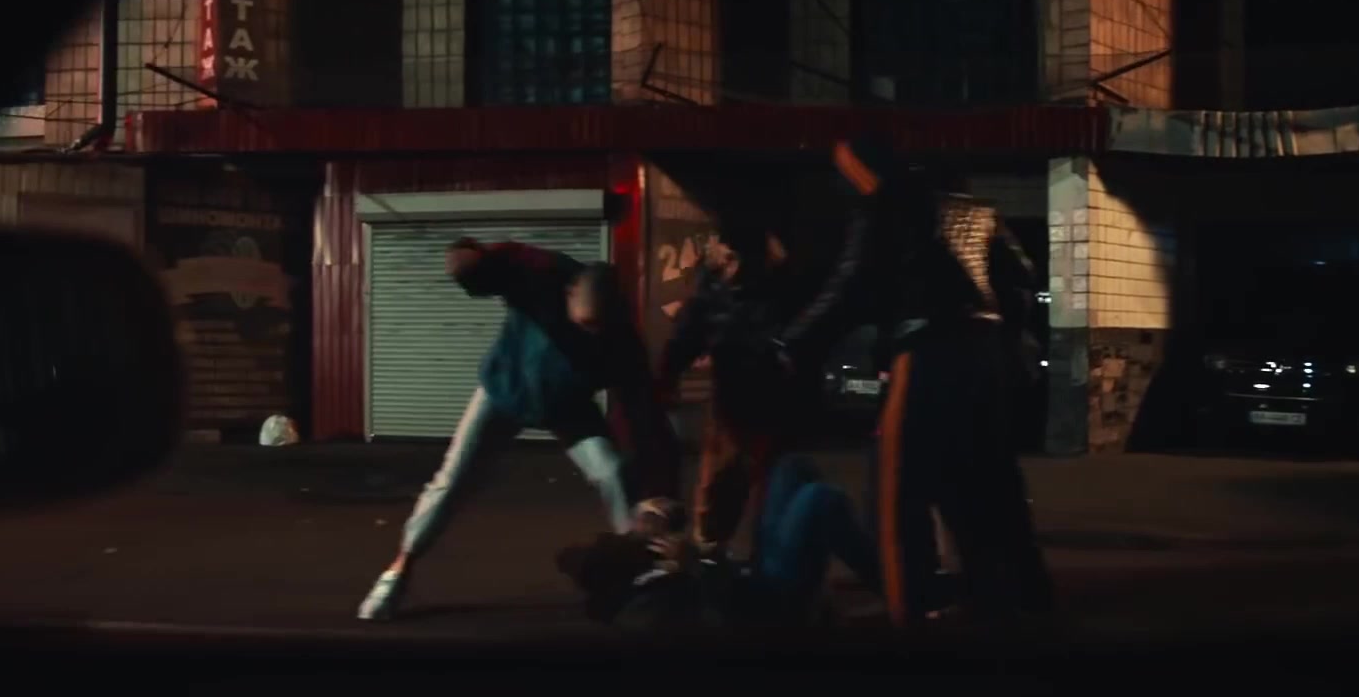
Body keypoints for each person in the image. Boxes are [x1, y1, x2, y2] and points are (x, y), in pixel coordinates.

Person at [357, 238, 677, 622]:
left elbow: (644, 419)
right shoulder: (545, 275)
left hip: (566, 407)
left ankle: (636, 572)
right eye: (582, 326)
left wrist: (657, 494)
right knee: (452, 481)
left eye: (597, 330)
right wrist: (470, 265)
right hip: (505, 391)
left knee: (614, 472)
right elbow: (500, 262)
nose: (588, 337)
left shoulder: (622, 343)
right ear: (569, 293)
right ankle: (399, 568)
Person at [828, 136, 1053, 628]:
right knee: (988, 481)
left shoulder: (894, 205)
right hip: (985, 352)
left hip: (927, 349)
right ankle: (1014, 595)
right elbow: (1022, 274)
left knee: (899, 489)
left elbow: (852, 284)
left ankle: (915, 604)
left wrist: (793, 343)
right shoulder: (981, 213)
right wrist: (1007, 329)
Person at [556, 456, 931, 632]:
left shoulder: (645, 569)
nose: (632, 540)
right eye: (623, 543)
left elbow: (677, 527)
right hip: (770, 603)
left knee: (789, 469)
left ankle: (832, 596)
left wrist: (656, 518)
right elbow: (725, 618)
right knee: (820, 499)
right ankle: (904, 595)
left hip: (751, 574)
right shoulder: (645, 610)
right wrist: (698, 566)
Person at [656, 220, 825, 559]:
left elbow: (804, 328)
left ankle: (766, 559)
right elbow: (684, 340)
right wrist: (666, 379)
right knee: (720, 488)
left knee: (773, 490)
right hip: (731, 405)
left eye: (738, 259)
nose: (733, 268)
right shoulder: (711, 295)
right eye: (728, 258)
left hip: (775, 403)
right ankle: (710, 556)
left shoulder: (779, 290)